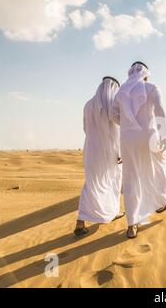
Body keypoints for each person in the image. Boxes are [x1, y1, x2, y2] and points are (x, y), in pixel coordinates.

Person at [111, 62, 166, 239]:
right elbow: (160, 111)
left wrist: (127, 125)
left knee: (131, 178)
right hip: (149, 136)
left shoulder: (121, 91)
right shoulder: (152, 87)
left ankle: (132, 224)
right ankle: (161, 201)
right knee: (159, 168)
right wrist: (165, 136)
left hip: (127, 139)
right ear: (145, 73)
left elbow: (113, 115)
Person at [74, 76, 125, 236]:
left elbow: (85, 128)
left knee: (91, 184)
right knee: (113, 180)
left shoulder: (88, 105)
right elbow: (117, 132)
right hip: (109, 151)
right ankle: (112, 212)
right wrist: (120, 152)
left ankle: (80, 222)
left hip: (91, 150)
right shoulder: (113, 106)